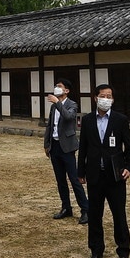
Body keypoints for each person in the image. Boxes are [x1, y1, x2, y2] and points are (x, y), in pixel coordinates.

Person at [77, 84, 130, 258]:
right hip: (94, 175)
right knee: (95, 215)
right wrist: (80, 172)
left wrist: (128, 167)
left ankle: (124, 253)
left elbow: (129, 147)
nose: (106, 99)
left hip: (115, 176)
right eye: (103, 96)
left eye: (109, 96)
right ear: (95, 98)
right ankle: (96, 251)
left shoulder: (120, 120)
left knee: (119, 214)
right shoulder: (87, 120)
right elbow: (83, 147)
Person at [44, 79, 90, 224]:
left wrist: (57, 103)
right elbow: (50, 125)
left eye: (59, 87)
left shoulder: (72, 104)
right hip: (55, 146)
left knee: (74, 179)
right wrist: (47, 144)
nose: (56, 88)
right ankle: (66, 207)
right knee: (60, 180)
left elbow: (69, 117)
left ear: (66, 91)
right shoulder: (53, 108)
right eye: (56, 86)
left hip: (67, 147)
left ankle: (85, 209)